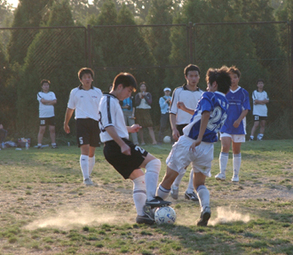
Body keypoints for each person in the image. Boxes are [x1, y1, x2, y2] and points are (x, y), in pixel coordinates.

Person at [157, 66, 231, 226]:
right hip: (208, 147)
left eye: (209, 84)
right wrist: (185, 110)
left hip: (191, 142)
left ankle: (151, 209)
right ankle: (205, 208)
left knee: (169, 177)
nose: (207, 87)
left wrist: (198, 137)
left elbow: (205, 115)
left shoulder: (208, 96)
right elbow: (201, 114)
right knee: (199, 184)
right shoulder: (225, 102)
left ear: (215, 84)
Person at [99, 72, 170, 225]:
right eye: (129, 90)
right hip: (116, 145)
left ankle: (142, 216)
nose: (129, 94)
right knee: (154, 163)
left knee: (140, 179)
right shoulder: (108, 101)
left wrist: (129, 129)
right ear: (119, 86)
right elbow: (108, 126)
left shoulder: (111, 101)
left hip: (112, 147)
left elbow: (113, 126)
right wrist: (123, 144)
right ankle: (151, 199)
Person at [169, 64, 203, 201]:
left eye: (196, 76)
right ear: (186, 77)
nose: (193, 78)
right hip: (182, 127)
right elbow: (172, 112)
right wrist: (174, 128)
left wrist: (186, 108)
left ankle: (190, 191)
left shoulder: (202, 94)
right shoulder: (178, 91)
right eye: (191, 76)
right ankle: (175, 186)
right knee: (181, 161)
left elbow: (202, 114)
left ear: (199, 77)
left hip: (197, 128)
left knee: (195, 161)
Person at [64, 67, 102, 186]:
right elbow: (70, 108)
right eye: (85, 77)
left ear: (92, 79)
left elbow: (102, 109)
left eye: (89, 77)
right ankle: (86, 179)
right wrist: (66, 123)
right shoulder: (75, 92)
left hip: (95, 123)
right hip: (81, 122)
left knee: (91, 152)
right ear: (80, 79)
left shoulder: (98, 92)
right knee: (84, 149)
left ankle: (88, 176)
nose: (87, 79)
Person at [215, 66, 250, 182]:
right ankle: (222, 173)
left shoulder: (243, 93)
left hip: (238, 126)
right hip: (225, 125)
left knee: (236, 150)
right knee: (225, 146)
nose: (233, 80)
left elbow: (246, 109)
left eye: (235, 77)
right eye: (230, 77)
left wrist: (238, 120)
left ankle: (235, 175)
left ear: (238, 78)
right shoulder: (223, 91)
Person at [37, 79, 57, 149]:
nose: (46, 86)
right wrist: (49, 102)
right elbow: (42, 101)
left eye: (47, 85)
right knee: (42, 129)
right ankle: (39, 144)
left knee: (52, 129)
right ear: (42, 87)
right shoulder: (40, 94)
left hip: (51, 115)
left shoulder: (52, 93)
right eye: (44, 85)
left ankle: (54, 144)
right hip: (43, 115)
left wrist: (47, 102)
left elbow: (54, 101)